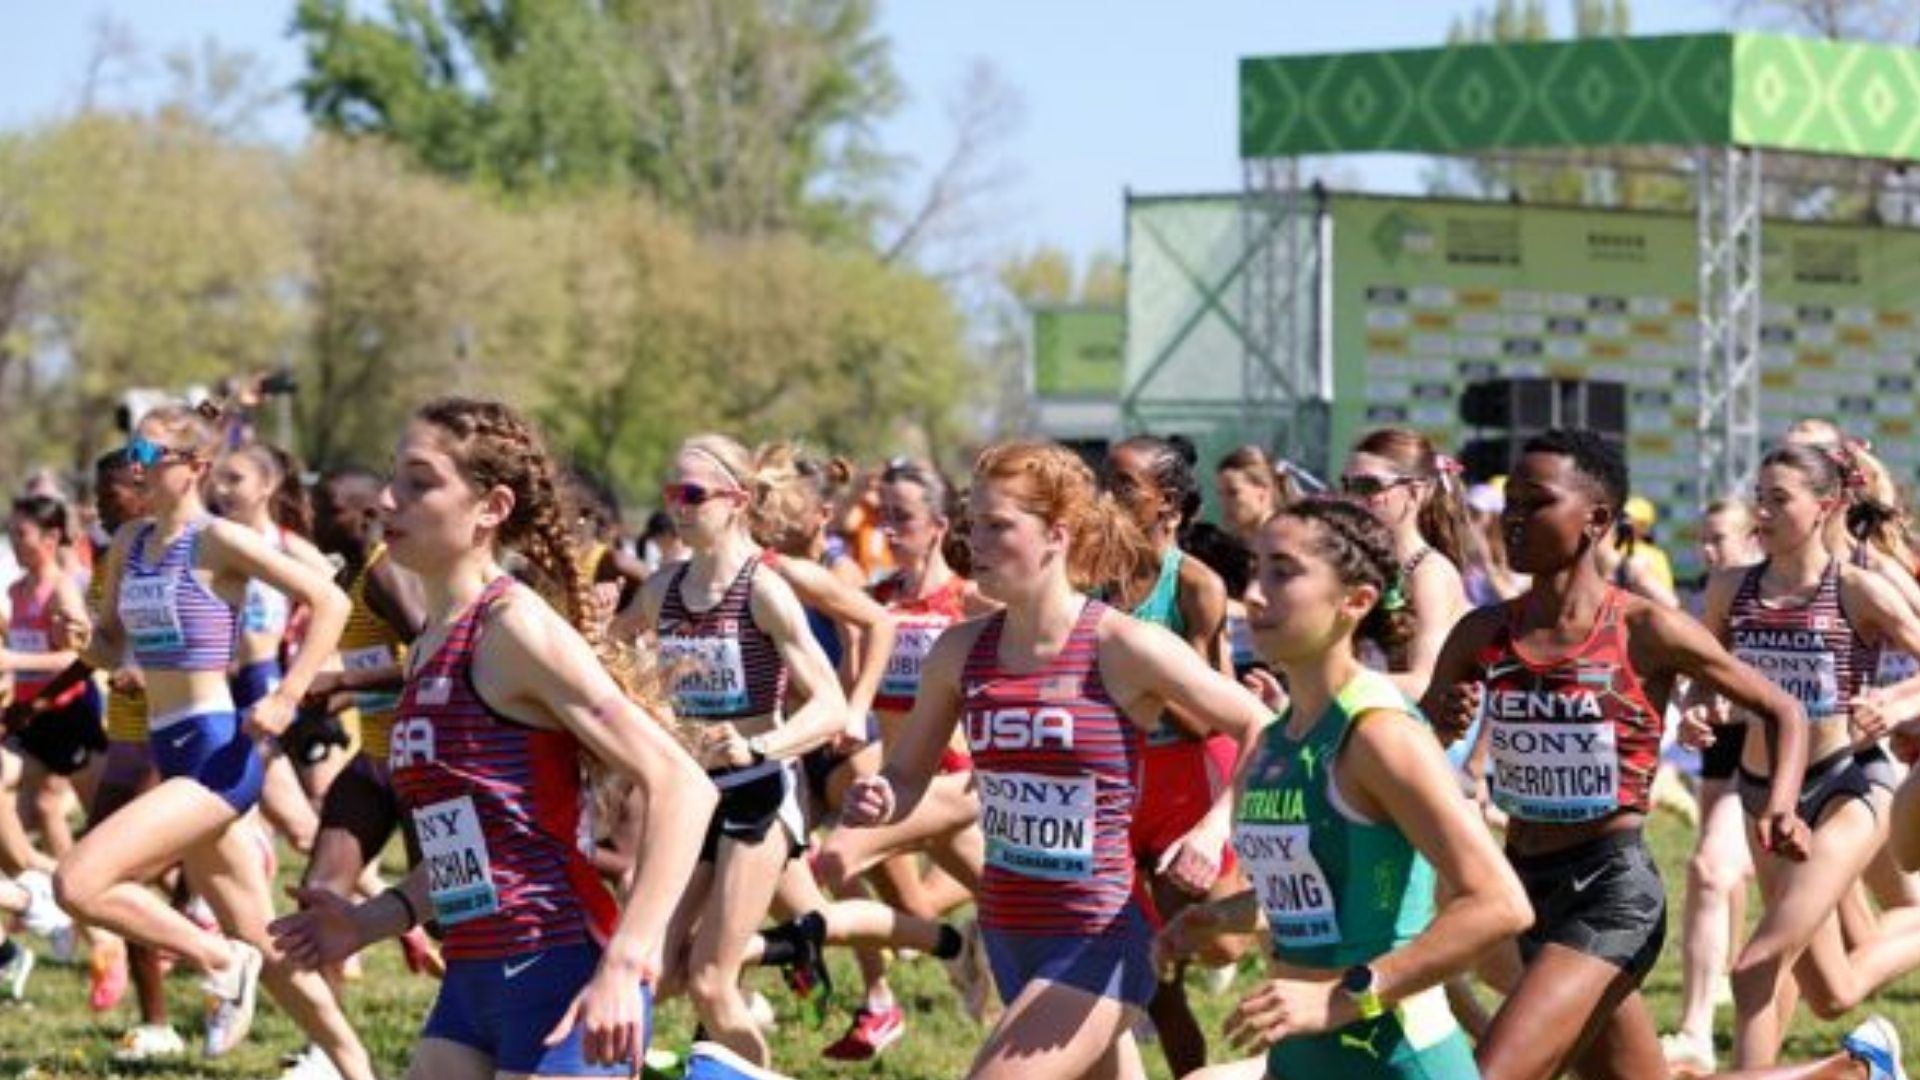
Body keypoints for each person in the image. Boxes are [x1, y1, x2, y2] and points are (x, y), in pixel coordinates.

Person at [270, 397, 715, 1079]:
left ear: (491, 507)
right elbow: (468, 848)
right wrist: (365, 923)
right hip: (471, 982)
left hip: (563, 970)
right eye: (394, 476)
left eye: (420, 481)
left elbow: (682, 784)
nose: (388, 498)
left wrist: (629, 962)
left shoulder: (511, 628)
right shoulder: (427, 649)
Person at [843, 439, 1271, 1080]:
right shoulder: (959, 652)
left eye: (998, 526)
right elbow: (907, 775)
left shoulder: (1123, 645)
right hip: (1011, 931)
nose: (974, 543)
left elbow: (1262, 725)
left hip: (1097, 937)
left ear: (1056, 536)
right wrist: (880, 796)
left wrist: (1212, 829)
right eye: (971, 524)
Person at [1421, 428, 1810, 1080]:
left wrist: (1780, 806)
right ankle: (1856, 1071)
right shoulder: (1482, 632)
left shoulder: (1644, 628)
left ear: (1595, 520)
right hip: (1523, 886)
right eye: (1509, 501)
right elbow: (1423, 741)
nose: (1513, 518)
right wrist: (1441, 719)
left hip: (1610, 892)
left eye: (1536, 502)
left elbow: (1783, 708)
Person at [49, 402, 376, 1077]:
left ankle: (223, 961)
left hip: (217, 753)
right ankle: (356, 1067)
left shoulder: (217, 540)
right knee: (267, 938)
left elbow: (332, 601)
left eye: (148, 457)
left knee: (78, 882)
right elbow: (115, 651)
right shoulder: (130, 544)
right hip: (171, 752)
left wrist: (287, 696)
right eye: (132, 455)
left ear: (194, 468)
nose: (133, 468)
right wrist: (82, 640)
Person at [1158, 495, 1532, 1079]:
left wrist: (1339, 999)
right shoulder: (1279, 738)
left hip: (1397, 1060)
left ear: (1355, 602)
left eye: (1284, 573)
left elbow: (1499, 905)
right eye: (1255, 570)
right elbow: (1330, 889)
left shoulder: (1380, 733)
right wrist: (1217, 919)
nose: (1254, 593)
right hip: (1302, 1058)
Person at [613, 434, 848, 1068]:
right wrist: (645, 707)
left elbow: (831, 705)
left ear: (736, 501)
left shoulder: (762, 590)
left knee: (713, 982)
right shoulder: (662, 588)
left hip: (760, 794)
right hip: (690, 794)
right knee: (649, 971)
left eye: (692, 495)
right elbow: (609, 657)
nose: (678, 508)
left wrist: (757, 744)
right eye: (671, 494)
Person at [1690, 442, 1920, 1068]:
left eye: (1779, 500)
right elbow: (1707, 673)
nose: (1762, 513)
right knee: (1831, 994)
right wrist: (1699, 708)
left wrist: (1899, 701)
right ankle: (1867, 1065)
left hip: (1848, 784)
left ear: (1825, 506)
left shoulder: (1858, 589)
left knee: (1756, 967)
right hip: (1763, 792)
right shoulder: (1730, 588)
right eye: (1758, 498)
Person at [1103, 433, 1248, 1078]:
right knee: (1152, 977)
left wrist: (1143, 680)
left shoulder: (1195, 585)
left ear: (1167, 504)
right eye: (1104, 480)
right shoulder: (1090, 575)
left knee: (1211, 947)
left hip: (1186, 780)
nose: (1106, 496)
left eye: (1124, 486)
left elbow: (1203, 718)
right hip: (1115, 778)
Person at [1662, 499, 1764, 1074]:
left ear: (1754, 540)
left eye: (1718, 539)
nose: (1705, 551)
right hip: (1724, 751)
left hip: (1792, 757)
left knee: (1712, 869)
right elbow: (1699, 667)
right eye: (1701, 539)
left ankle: (1705, 1023)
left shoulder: (1788, 593)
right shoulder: (1714, 592)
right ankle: (1702, 1019)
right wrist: (1697, 701)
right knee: (1715, 871)